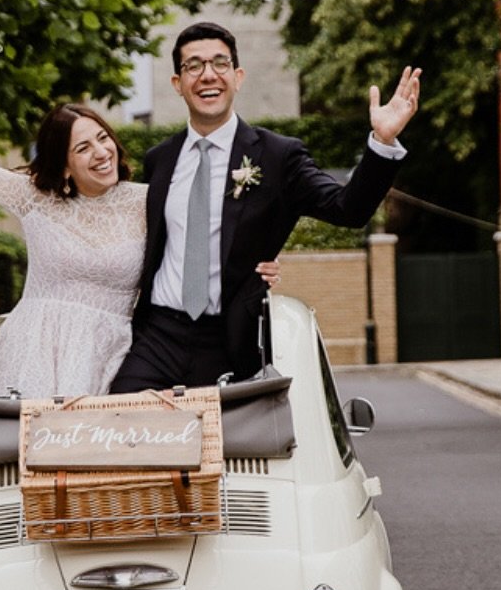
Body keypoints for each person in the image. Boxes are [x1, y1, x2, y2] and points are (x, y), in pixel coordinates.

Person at [0, 47, 283, 398]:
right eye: (83, 148)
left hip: (112, 358)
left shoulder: (145, 199)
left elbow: (213, 231)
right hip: (33, 353)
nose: (102, 153)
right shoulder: (35, 197)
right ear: (64, 166)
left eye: (103, 138)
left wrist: (257, 261)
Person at [109, 21, 421, 393]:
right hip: (157, 337)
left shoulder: (278, 156)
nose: (208, 75)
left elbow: (347, 209)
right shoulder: (160, 159)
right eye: (194, 66)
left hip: (227, 341)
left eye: (220, 63)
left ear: (237, 76)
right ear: (178, 83)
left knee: (223, 447)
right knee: (124, 424)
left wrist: (382, 142)